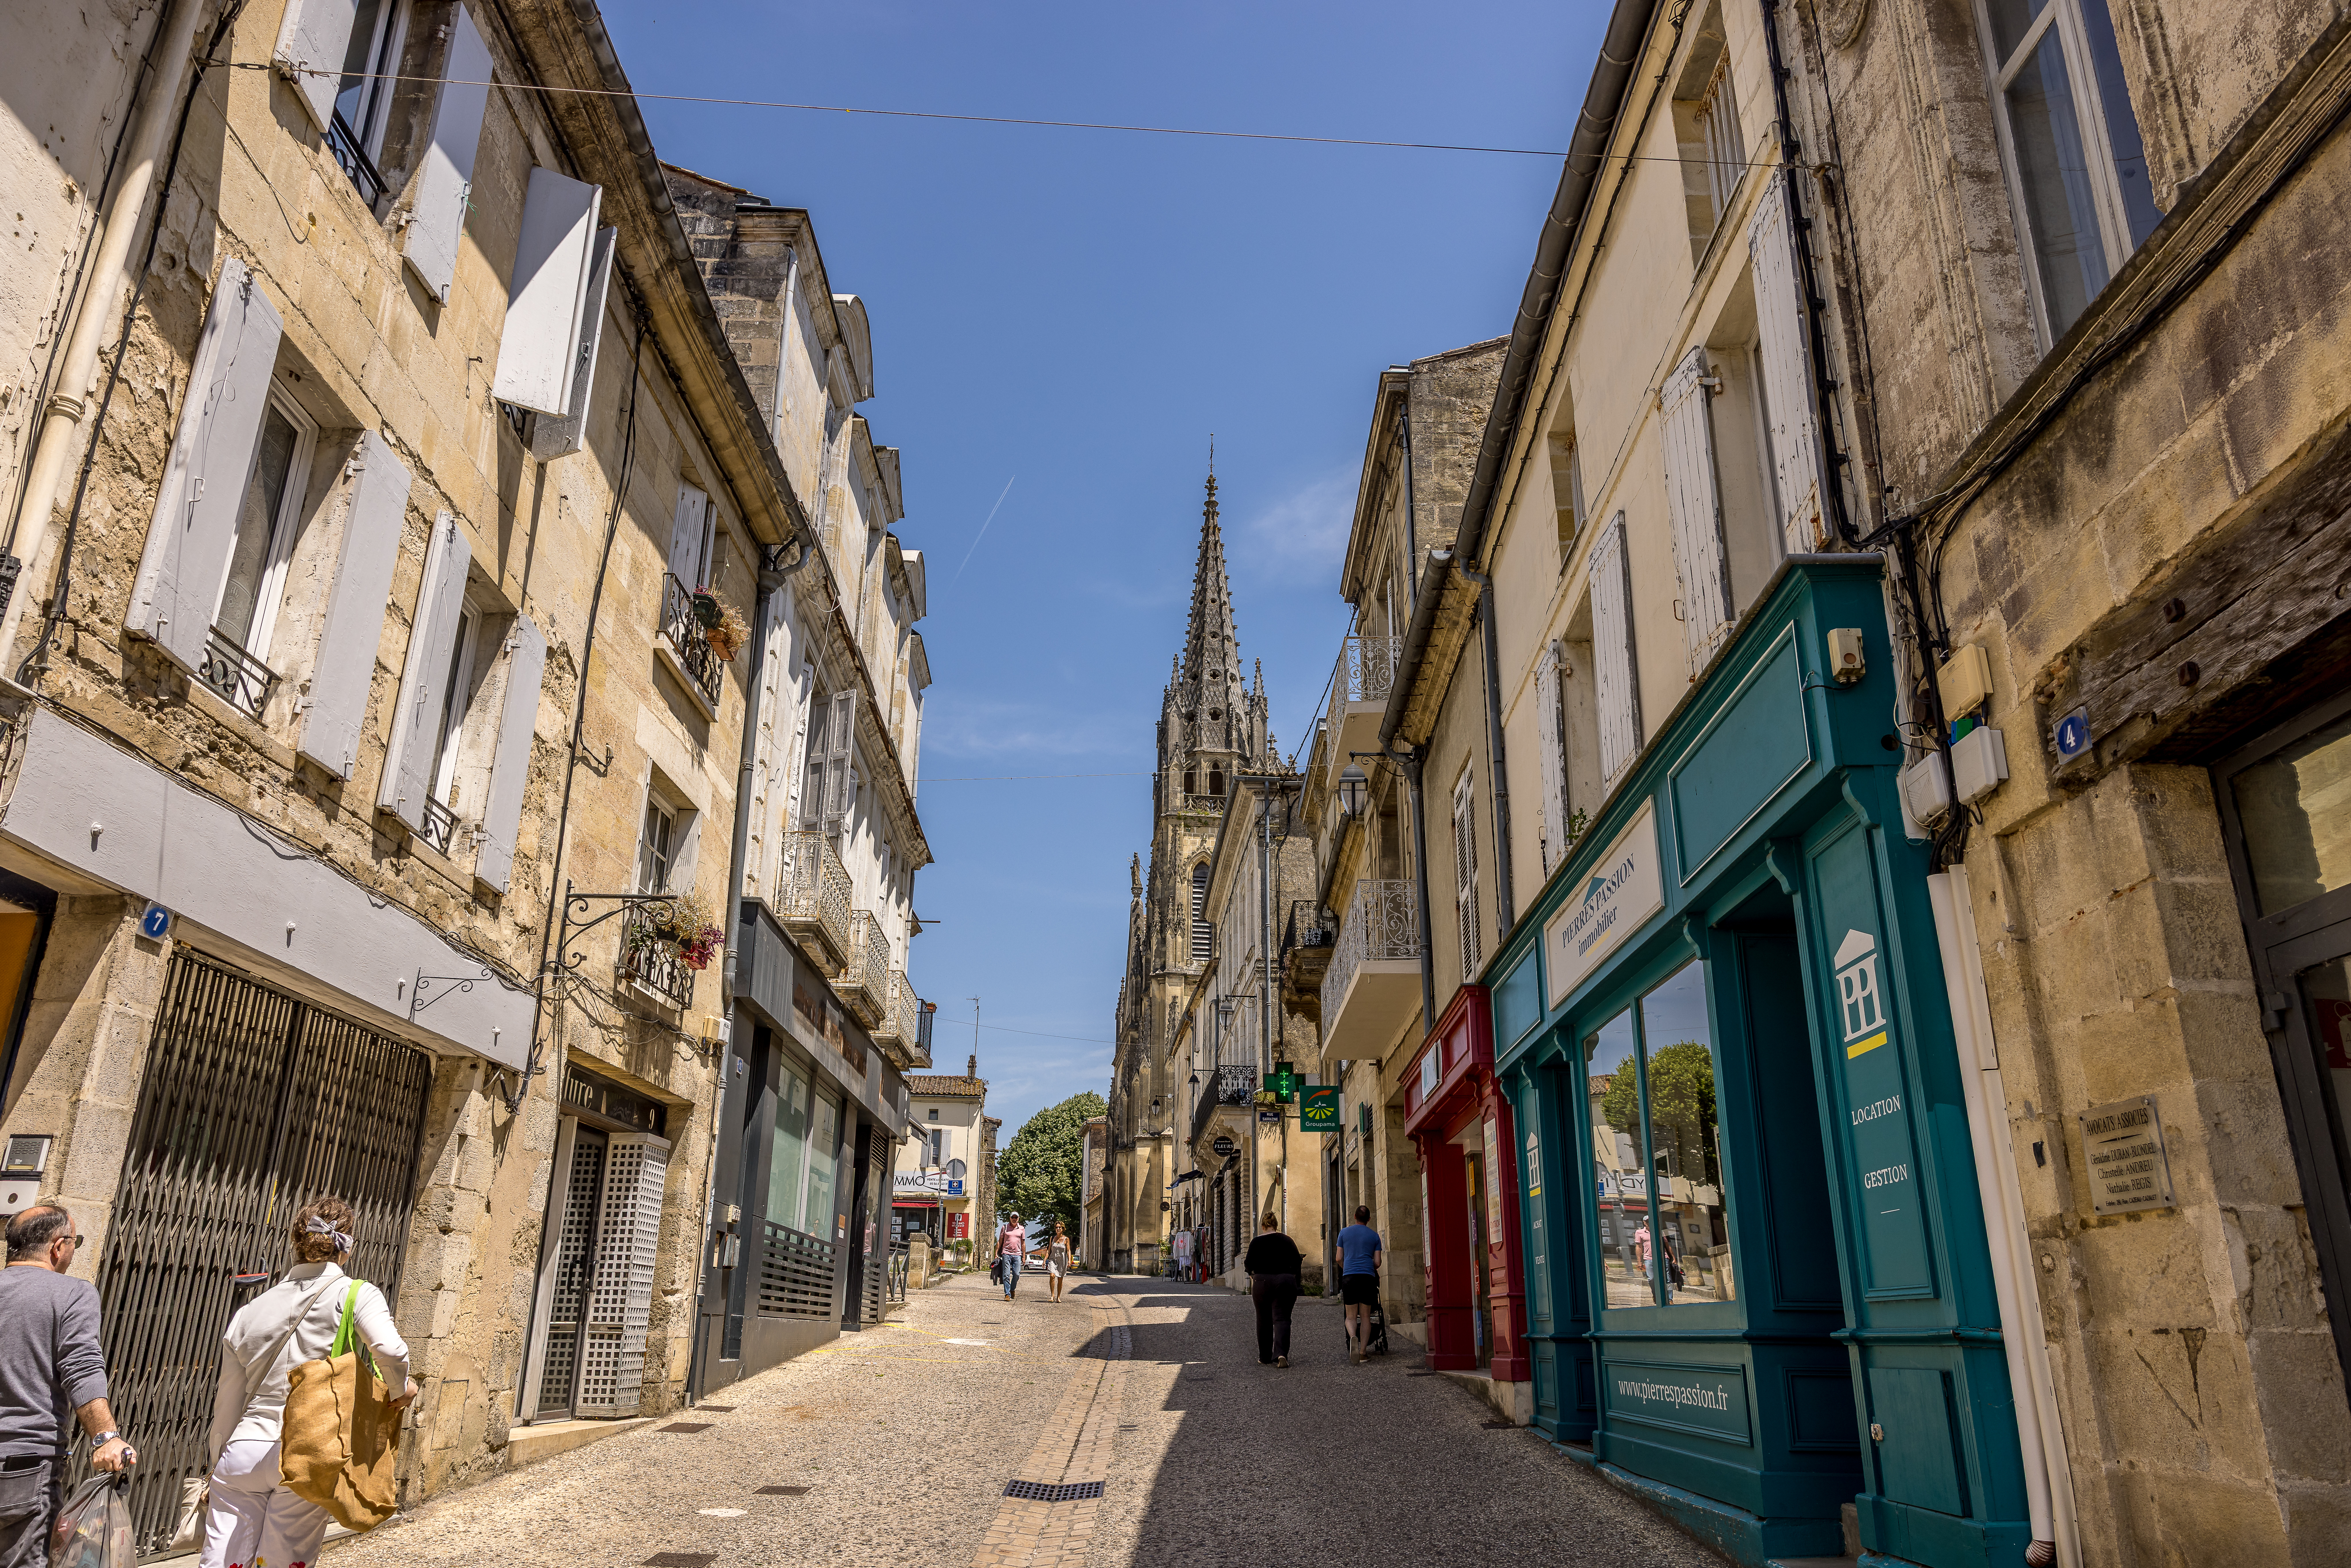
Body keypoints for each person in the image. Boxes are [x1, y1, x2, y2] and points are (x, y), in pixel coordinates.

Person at [199, 1197, 417, 1568]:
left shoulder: (250, 1312)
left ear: (294, 1243)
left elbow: (228, 1404)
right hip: (306, 1454)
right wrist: (400, 1391)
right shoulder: (356, 1294)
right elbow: (391, 1352)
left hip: (245, 1450)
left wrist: (217, 1460)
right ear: (346, 1247)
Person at [1, 1206, 133, 1568]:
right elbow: (81, 1365)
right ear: (58, 1247)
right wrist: (107, 1437)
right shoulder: (72, 1293)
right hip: (21, 1469)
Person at [1243, 1213, 1303, 1368]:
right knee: (1282, 1319)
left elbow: (1248, 1264)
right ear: (1276, 1226)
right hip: (1285, 1281)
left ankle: (1265, 1357)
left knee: (1263, 1320)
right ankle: (1281, 1354)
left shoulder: (1256, 1242)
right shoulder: (1287, 1240)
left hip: (1262, 1282)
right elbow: (1298, 1261)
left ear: (1263, 1227)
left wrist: (1252, 1275)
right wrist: (1295, 1279)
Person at [1334, 1204, 1384, 1364]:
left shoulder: (1344, 1233)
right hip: (1368, 1279)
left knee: (1350, 1317)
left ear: (1355, 1217)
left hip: (1349, 1278)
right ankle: (1363, 1353)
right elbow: (1377, 1262)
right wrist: (1369, 1267)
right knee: (1366, 1317)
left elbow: (1338, 1258)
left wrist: (1347, 1267)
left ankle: (1353, 1337)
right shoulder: (1375, 1237)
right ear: (1369, 1219)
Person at [994, 1214, 1027, 1301]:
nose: (1014, 1219)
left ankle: (1012, 1289)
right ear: (1010, 1218)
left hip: (1017, 1255)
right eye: (1013, 1217)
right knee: (1006, 1275)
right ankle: (1008, 1294)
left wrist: (1024, 1256)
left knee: (1017, 1274)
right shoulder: (1005, 1228)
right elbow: (1000, 1241)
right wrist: (996, 1253)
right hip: (1006, 1254)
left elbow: (1023, 1244)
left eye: (1016, 1217)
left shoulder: (1022, 1229)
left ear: (1018, 1219)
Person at [1044, 1222, 1072, 1303]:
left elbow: (1069, 1251)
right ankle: (1053, 1296)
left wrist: (1069, 1260)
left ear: (1063, 1229)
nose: (1058, 1229)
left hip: (1062, 1261)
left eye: (1060, 1227)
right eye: (1057, 1227)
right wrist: (1045, 1260)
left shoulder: (1066, 1239)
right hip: (1053, 1260)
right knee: (1052, 1276)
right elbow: (1049, 1250)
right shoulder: (1052, 1238)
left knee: (1060, 1279)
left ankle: (1058, 1297)